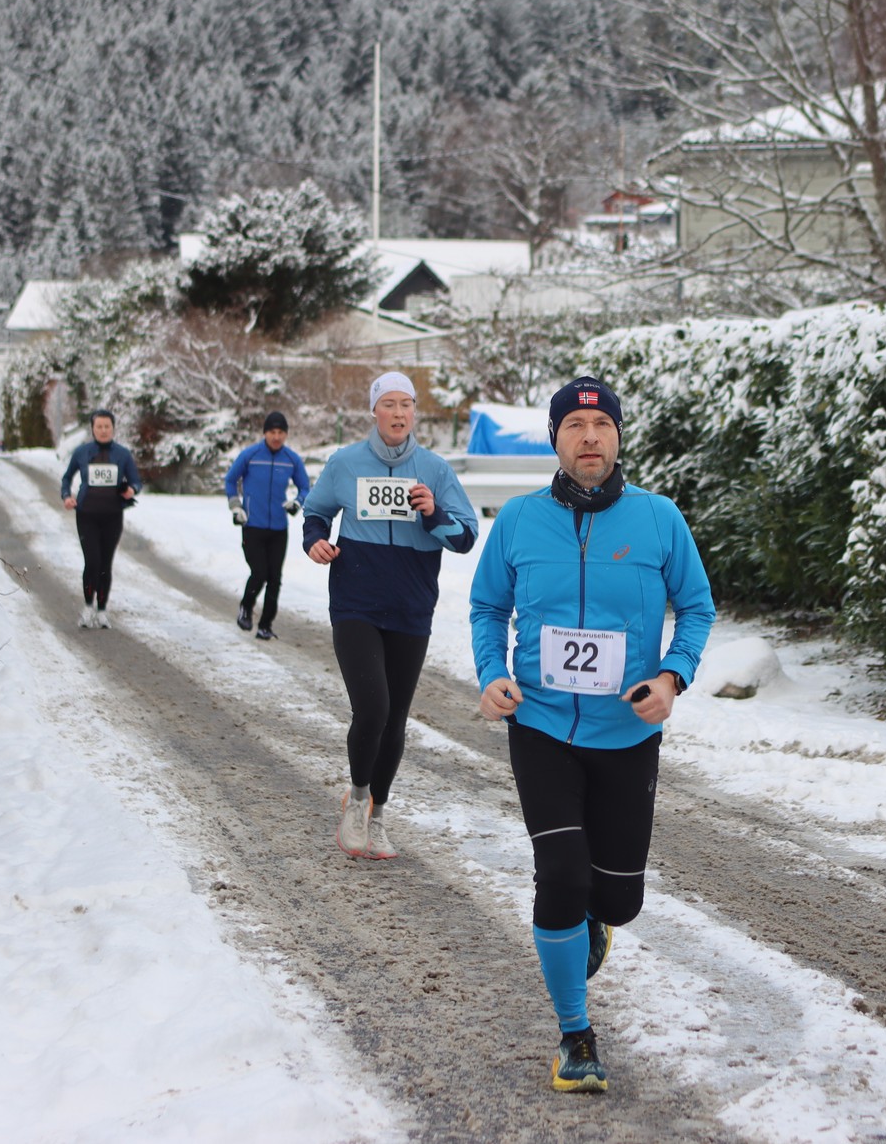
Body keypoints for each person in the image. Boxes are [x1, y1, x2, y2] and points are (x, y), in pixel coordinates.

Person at [469, 376, 715, 1094]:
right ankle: (575, 1035)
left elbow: (697, 608)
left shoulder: (659, 518)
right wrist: (492, 672)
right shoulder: (518, 520)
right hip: (541, 724)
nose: (588, 437)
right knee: (561, 874)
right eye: (574, 425)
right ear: (555, 438)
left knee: (617, 899)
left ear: (617, 436)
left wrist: (671, 677)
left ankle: (595, 918)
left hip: (626, 733)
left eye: (601, 424)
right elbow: (487, 607)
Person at [302, 371, 476, 861]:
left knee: (396, 718)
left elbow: (465, 538)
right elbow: (316, 513)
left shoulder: (435, 470)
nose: (399, 413)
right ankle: (358, 800)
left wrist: (434, 513)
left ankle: (377, 816)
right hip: (356, 602)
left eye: (407, 404)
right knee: (373, 708)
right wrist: (315, 540)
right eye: (389, 404)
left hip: (410, 606)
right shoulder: (345, 463)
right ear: (374, 411)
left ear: (415, 412)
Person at [223, 410, 312, 641]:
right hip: (252, 524)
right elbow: (230, 480)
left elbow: (305, 487)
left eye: (281, 432)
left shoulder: (291, 459)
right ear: (265, 433)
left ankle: (265, 625)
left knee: (275, 578)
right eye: (272, 432)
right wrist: (236, 506)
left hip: (279, 529)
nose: (276, 436)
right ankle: (246, 607)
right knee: (259, 572)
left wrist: (297, 502)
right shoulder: (250, 455)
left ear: (286, 434)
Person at [60, 410, 142, 629]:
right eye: (99, 427)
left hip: (112, 516)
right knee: (92, 562)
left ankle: (102, 610)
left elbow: (136, 481)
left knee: (105, 564)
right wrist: (66, 496)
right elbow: (67, 478)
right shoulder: (82, 452)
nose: (103, 431)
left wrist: (132, 490)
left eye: (107, 426)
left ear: (113, 428)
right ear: (93, 429)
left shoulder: (123, 454)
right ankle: (88, 607)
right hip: (87, 515)